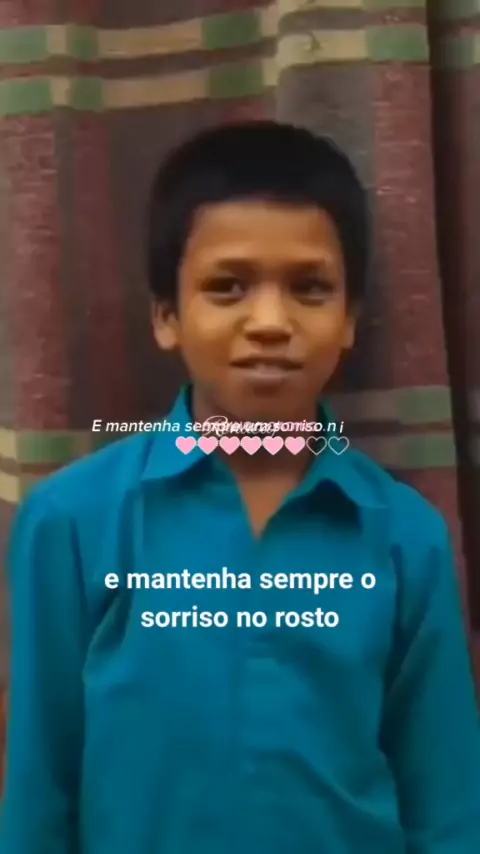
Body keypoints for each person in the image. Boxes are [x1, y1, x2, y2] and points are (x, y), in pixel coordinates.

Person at [1, 121, 479, 853]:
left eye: (309, 288)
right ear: (167, 316)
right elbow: (40, 788)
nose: (270, 323)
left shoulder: (407, 537)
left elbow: (445, 800)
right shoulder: (70, 522)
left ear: (349, 319)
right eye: (228, 287)